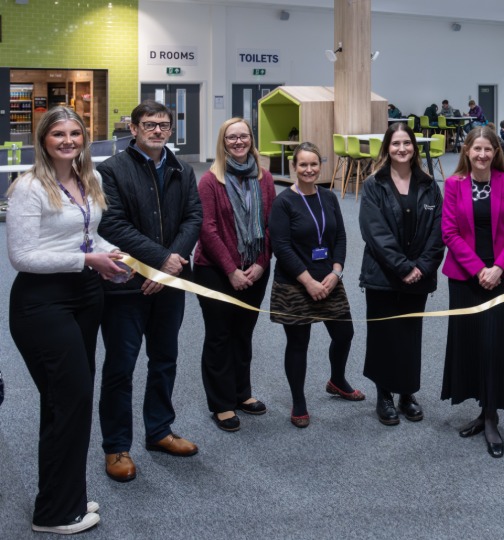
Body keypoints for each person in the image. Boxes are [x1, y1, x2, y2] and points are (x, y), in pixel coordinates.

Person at [6, 107, 131, 534]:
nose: (68, 141)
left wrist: (111, 254)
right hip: (43, 304)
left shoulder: (86, 179)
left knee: (71, 404)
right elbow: (22, 256)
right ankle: (54, 514)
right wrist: (86, 260)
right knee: (69, 401)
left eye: (75, 133)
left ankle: (67, 497)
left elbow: (89, 234)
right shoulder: (29, 187)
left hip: (85, 297)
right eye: (58, 134)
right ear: (43, 139)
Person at [97, 99, 202, 482]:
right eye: (149, 124)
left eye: (164, 125)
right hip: (127, 287)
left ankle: (159, 431)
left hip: (169, 286)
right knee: (120, 367)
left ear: (171, 130)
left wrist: (171, 262)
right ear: (134, 129)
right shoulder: (111, 170)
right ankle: (116, 447)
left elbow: (193, 216)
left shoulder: (182, 169)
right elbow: (113, 224)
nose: (157, 131)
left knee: (165, 360)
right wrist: (161, 259)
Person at [440, 125, 504, 459]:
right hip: (466, 277)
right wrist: (479, 269)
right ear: (466, 151)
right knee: (473, 344)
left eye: (488, 150)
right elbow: (449, 232)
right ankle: (481, 408)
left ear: (496, 153)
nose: (481, 155)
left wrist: (497, 269)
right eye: (476, 149)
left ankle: (492, 416)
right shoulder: (453, 185)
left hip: (503, 276)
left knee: (496, 344)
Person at [269, 142, 362, 429]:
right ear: (293, 167)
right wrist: (308, 281)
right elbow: (281, 247)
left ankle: (336, 380)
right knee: (299, 343)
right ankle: (298, 401)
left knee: (345, 333)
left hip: (329, 279)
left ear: (320, 166)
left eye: (314, 164)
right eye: (302, 165)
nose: (309, 170)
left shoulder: (328, 197)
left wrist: (336, 271)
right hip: (296, 282)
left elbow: (341, 238)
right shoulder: (284, 202)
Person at [359, 123, 445, 426]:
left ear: (414, 148)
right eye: (395, 144)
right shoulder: (374, 184)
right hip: (383, 275)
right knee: (384, 336)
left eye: (406, 143)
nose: (401, 149)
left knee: (410, 336)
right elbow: (374, 231)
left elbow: (439, 231)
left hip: (418, 277)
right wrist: (403, 267)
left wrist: (421, 267)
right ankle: (384, 396)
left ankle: (407, 394)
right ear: (387, 148)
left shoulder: (429, 185)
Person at [194, 118, 277, 432]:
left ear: (251, 139)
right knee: (219, 336)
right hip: (215, 271)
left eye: (244, 136)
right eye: (232, 137)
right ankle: (221, 403)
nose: (238, 142)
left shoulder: (264, 177)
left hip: (255, 269)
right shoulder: (210, 181)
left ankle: (242, 393)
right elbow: (207, 229)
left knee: (243, 333)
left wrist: (260, 263)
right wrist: (231, 270)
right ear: (223, 142)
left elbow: (271, 226)